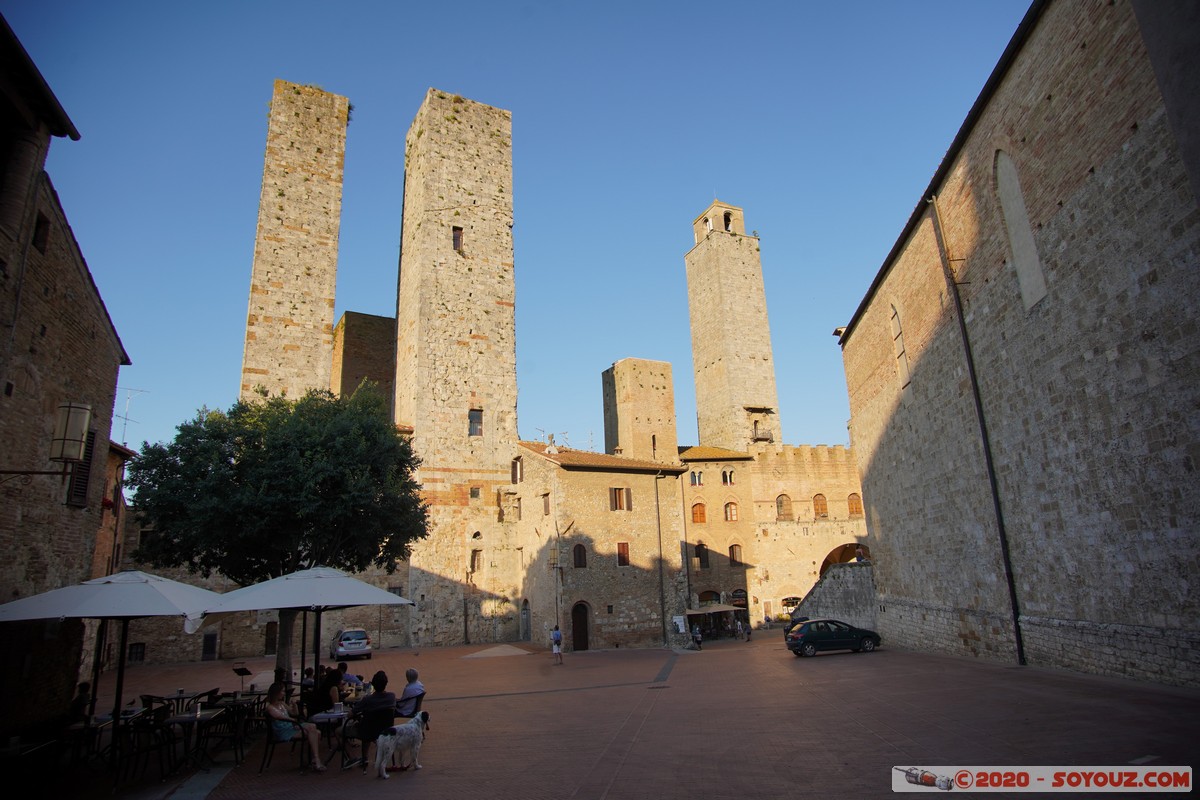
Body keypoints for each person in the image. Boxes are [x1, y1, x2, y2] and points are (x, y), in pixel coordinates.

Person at [265, 682, 326, 771]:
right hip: (284, 731)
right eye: (282, 691)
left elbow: (294, 713)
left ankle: (312, 759)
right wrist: (292, 721)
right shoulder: (270, 707)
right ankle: (315, 760)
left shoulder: (282, 704)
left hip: (292, 727)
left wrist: (294, 705)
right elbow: (278, 716)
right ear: (276, 693)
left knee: (315, 731)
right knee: (314, 730)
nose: (284, 693)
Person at [342, 671, 395, 763]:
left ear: (373, 684)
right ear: (386, 684)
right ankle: (365, 758)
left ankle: (352, 758)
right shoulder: (391, 697)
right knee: (368, 726)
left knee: (339, 731)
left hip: (367, 731)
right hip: (385, 730)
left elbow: (350, 714)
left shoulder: (367, 700)